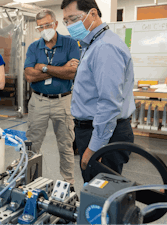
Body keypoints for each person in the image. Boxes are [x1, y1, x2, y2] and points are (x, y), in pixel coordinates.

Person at [61, 0, 135, 182]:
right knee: (98, 192)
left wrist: (94, 149)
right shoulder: (93, 44)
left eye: (73, 19)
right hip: (96, 130)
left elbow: (109, 104)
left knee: (101, 195)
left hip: (104, 134)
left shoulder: (105, 47)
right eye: (66, 21)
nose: (70, 26)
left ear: (92, 14)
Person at [24, 9, 80, 187]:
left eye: (48, 25)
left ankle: (68, 182)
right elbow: (29, 76)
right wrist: (59, 69)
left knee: (66, 145)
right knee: (32, 145)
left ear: (55, 24)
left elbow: (72, 72)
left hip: (63, 101)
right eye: (41, 27)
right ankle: (29, 181)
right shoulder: (34, 47)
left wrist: (44, 68)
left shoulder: (70, 44)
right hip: (38, 100)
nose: (44, 29)